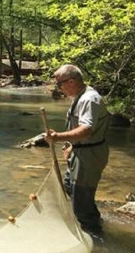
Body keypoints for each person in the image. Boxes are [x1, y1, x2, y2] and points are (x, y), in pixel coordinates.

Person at [45, 64, 109, 234]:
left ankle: (96, 238)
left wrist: (58, 137)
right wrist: (71, 145)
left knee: (80, 199)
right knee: (69, 186)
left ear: (71, 81)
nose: (58, 88)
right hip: (80, 151)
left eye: (60, 84)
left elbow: (86, 130)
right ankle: (93, 217)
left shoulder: (89, 99)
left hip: (90, 154)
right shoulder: (79, 96)